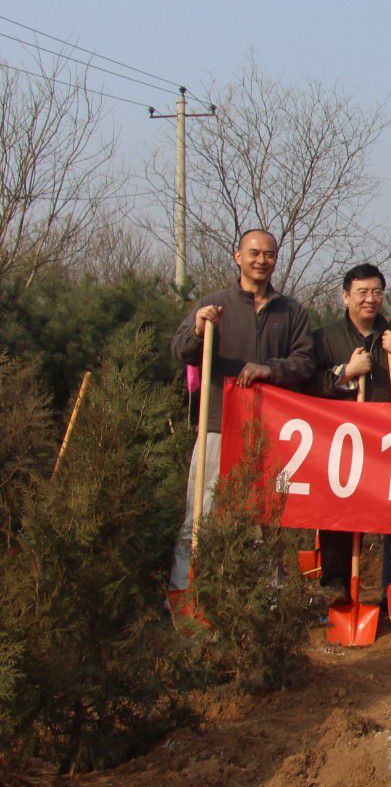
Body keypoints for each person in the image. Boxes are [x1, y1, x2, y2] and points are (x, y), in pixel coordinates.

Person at [169, 229, 313, 594]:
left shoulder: (292, 312)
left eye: (269, 254)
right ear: (238, 256)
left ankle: (264, 597)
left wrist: (270, 369)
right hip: (218, 425)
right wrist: (199, 329)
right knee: (201, 514)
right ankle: (186, 592)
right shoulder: (213, 305)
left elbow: (305, 363)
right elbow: (181, 350)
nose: (261, 260)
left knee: (265, 518)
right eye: (254, 253)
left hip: (270, 432)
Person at [310, 263, 391, 608]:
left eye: (377, 292)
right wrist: (345, 372)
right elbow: (308, 384)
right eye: (362, 292)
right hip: (341, 443)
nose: (370, 299)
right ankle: (336, 586)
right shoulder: (325, 338)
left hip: (388, 442)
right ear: (345, 296)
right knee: (338, 513)